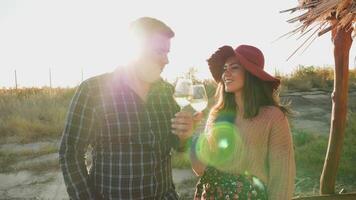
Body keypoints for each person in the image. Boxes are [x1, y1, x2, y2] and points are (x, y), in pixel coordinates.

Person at [59, 17, 200, 199]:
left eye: (167, 53)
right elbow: (70, 152)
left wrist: (184, 136)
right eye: (159, 52)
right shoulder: (93, 90)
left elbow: (176, 145)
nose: (166, 60)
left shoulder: (167, 92)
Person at [190, 44, 296, 199]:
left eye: (234, 68)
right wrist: (191, 138)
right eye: (225, 68)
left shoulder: (273, 117)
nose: (226, 73)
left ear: (251, 74)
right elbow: (201, 169)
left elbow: (282, 179)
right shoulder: (217, 114)